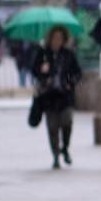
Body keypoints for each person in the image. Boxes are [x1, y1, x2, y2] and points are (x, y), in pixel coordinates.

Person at [30, 25, 81, 169]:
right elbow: (34, 70)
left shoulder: (68, 54)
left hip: (65, 96)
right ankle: (55, 155)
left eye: (60, 38)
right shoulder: (43, 53)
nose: (57, 41)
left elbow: (77, 73)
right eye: (54, 38)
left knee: (67, 122)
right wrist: (42, 70)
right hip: (49, 96)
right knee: (52, 127)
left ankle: (65, 147)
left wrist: (70, 82)